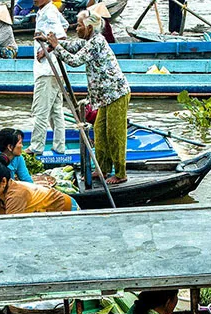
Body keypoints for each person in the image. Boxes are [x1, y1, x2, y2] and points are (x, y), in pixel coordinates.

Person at [46, 9, 130, 184]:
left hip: (116, 93)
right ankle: (102, 169)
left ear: (90, 28)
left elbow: (75, 61)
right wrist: (52, 44)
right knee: (100, 133)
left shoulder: (97, 42)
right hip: (103, 97)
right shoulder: (87, 41)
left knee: (115, 134)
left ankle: (121, 173)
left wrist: (56, 47)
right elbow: (71, 47)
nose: (76, 28)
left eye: (79, 25)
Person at [0, 156, 75, 265]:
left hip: (67, 211)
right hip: (41, 217)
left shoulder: (17, 195)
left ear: (3, 182)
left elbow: (10, 230)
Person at [28, 0, 68, 156]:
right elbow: (64, 25)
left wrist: (47, 50)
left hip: (47, 70)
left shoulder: (49, 12)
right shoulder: (46, 10)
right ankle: (59, 146)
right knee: (55, 111)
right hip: (52, 71)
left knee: (41, 110)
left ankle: (36, 146)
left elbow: (62, 36)